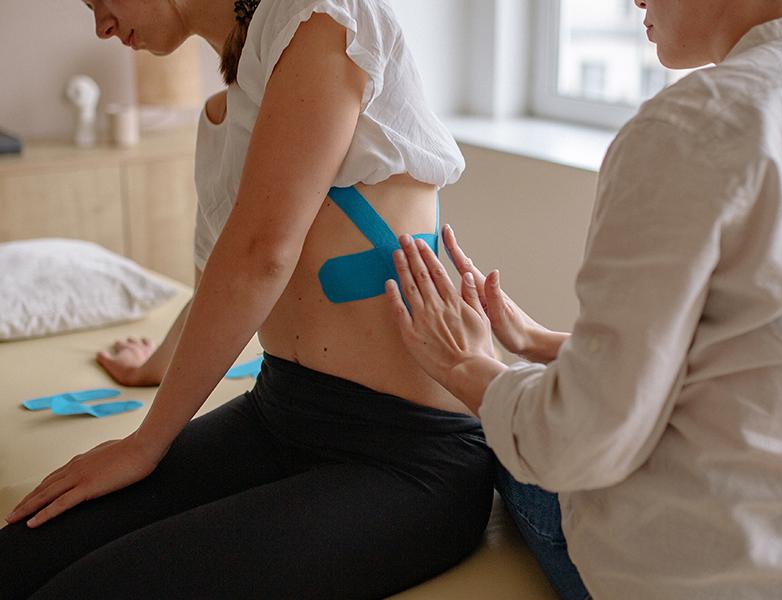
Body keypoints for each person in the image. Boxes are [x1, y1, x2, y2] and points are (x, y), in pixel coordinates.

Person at [386, 0, 782, 598]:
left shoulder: (689, 125)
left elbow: (581, 442)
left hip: (707, 574)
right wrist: (540, 344)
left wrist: (468, 368)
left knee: (497, 440)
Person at [0, 0, 496, 598]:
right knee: (20, 556)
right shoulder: (227, 112)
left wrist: (145, 443)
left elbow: (264, 252)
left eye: (99, 0)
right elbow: (224, 276)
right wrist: (153, 365)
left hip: (406, 454)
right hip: (282, 414)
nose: (101, 24)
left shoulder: (322, 19)